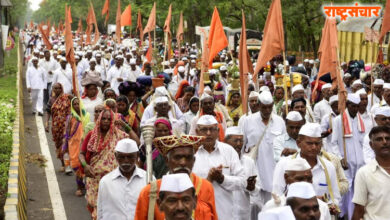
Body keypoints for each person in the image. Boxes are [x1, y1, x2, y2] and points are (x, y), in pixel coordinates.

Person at [135, 133, 218, 220]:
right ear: (167, 160)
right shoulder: (149, 191)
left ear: (193, 161)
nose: (183, 162)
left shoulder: (206, 187)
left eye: (188, 158)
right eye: (177, 157)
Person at [273, 123, 341, 214]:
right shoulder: (284, 165)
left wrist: (330, 206)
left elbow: (335, 198)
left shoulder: (329, 167)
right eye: (309, 143)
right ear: (298, 143)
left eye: (317, 143)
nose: (314, 147)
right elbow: (276, 198)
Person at [79, 109, 129, 219]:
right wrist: (85, 165)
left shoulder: (118, 135)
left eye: (109, 119)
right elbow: (81, 153)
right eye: (103, 118)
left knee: (111, 211)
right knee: (96, 212)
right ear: (99, 120)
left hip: (113, 181)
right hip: (94, 179)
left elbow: (137, 143)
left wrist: (126, 126)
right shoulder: (92, 135)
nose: (106, 121)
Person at [193, 115, 245, 220]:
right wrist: (207, 180)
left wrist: (222, 179)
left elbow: (243, 182)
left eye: (212, 129)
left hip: (225, 213)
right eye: (204, 130)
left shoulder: (228, 151)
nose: (208, 133)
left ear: (218, 131)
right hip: (199, 214)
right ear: (197, 132)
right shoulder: (191, 154)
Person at [240, 90, 286, 203]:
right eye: (264, 107)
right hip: (255, 170)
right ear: (258, 105)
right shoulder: (247, 121)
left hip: (274, 171)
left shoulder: (280, 122)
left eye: (270, 107)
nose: (267, 110)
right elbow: (241, 145)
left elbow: (284, 145)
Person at [331, 93, 366, 218]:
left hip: (361, 163)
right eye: (352, 106)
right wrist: (340, 159)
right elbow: (333, 143)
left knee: (358, 192)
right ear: (347, 105)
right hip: (346, 164)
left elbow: (364, 143)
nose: (355, 109)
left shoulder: (360, 119)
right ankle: (341, 215)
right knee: (345, 191)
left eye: (357, 106)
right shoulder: (338, 120)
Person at [262, 158, 331, 220]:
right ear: (286, 178)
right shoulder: (272, 207)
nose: (305, 183)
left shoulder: (322, 207)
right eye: (300, 179)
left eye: (309, 178)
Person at [97, 139, 147, 220]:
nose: (126, 161)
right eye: (121, 157)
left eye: (130, 157)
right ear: (116, 156)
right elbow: (100, 212)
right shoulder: (105, 182)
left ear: (137, 156)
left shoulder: (148, 179)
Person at [352, 126, 390, 220]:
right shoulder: (364, 173)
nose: (385, 142)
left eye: (388, 138)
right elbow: (359, 209)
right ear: (371, 145)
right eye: (379, 139)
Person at [224, 126, 261, 220]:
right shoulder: (220, 161)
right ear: (225, 142)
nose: (239, 144)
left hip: (243, 214)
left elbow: (257, 190)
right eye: (235, 141)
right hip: (224, 213)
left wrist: (252, 188)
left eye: (241, 141)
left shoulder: (249, 162)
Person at [62, 97, 89, 195]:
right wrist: (65, 146)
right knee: (77, 166)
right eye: (75, 104)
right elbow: (67, 132)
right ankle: (79, 187)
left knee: (85, 165)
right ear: (72, 106)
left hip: (85, 144)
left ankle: (83, 185)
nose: (77, 106)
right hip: (74, 145)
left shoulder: (86, 115)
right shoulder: (70, 117)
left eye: (78, 103)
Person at [44, 83, 72, 170]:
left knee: (65, 145)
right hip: (56, 127)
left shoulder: (67, 97)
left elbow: (75, 103)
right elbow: (48, 111)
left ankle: (67, 166)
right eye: (55, 88)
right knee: (58, 145)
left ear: (61, 88)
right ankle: (63, 164)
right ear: (52, 89)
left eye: (58, 88)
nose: (57, 90)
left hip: (66, 126)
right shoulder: (51, 100)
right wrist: (47, 123)